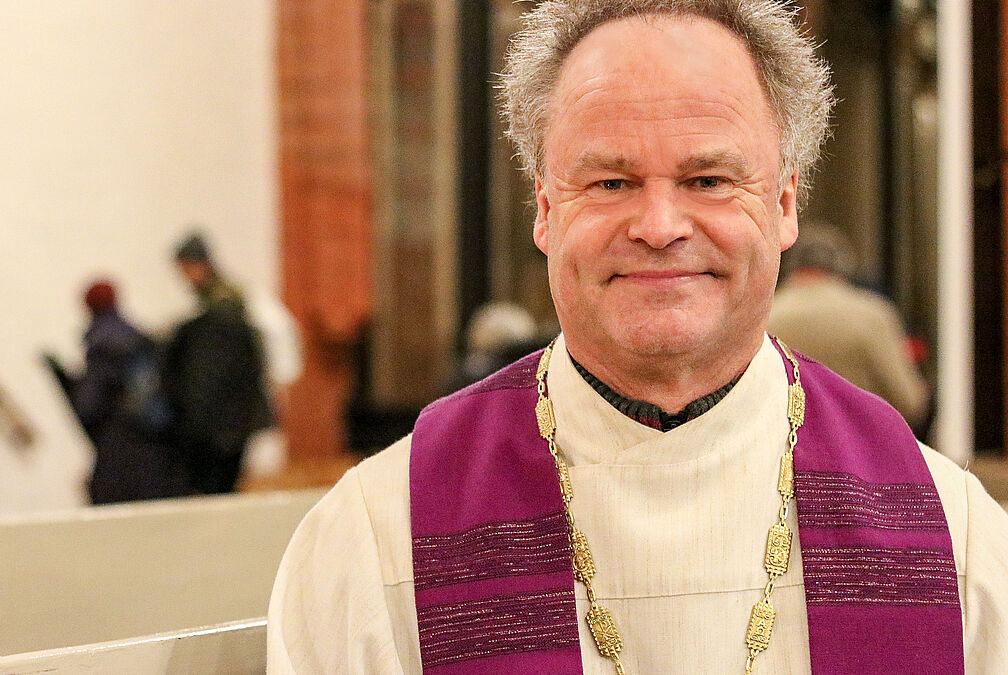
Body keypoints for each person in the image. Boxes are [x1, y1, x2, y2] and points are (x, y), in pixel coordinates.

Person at [267, 1, 1008, 673]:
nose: (658, 227)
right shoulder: (378, 535)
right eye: (611, 183)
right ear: (546, 211)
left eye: (709, 179)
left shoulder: (954, 535)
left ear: (784, 205)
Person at [768, 223, 930, 431]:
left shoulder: (765, 315)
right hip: (861, 449)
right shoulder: (872, 315)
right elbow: (910, 401)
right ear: (842, 267)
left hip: (786, 451)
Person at [67, 280, 192, 504]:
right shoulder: (139, 337)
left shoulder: (101, 344)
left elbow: (88, 404)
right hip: (156, 451)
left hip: (121, 448)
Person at [166, 233, 272, 494]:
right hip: (230, 422)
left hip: (223, 426)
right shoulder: (222, 300)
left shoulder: (222, 307)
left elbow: (217, 372)